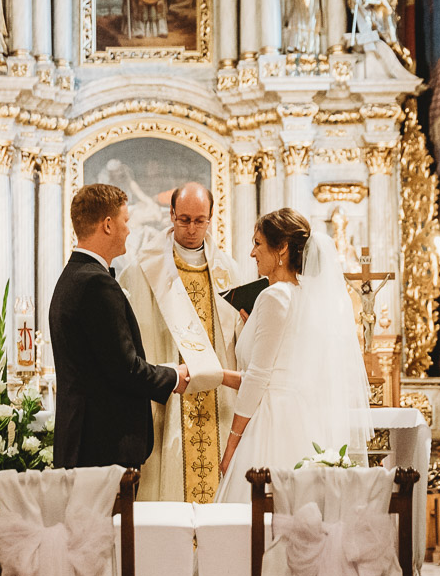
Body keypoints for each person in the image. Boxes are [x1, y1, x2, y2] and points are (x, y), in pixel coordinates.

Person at [216, 208, 371, 503]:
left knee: (258, 516)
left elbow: (259, 377)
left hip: (271, 422)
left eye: (258, 243)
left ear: (282, 248)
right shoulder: (306, 298)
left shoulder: (274, 297)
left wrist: (232, 444)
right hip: (301, 419)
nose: (252, 252)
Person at [49, 183, 191, 469]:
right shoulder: (96, 283)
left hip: (83, 442)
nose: (129, 230)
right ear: (108, 225)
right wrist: (174, 376)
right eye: (126, 222)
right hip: (102, 449)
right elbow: (125, 369)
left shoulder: (72, 276)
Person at [118, 182, 243, 502]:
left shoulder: (228, 271)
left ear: (211, 218)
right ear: (171, 215)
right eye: (184, 219)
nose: (191, 228)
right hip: (169, 398)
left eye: (200, 220)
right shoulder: (144, 269)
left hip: (219, 401)